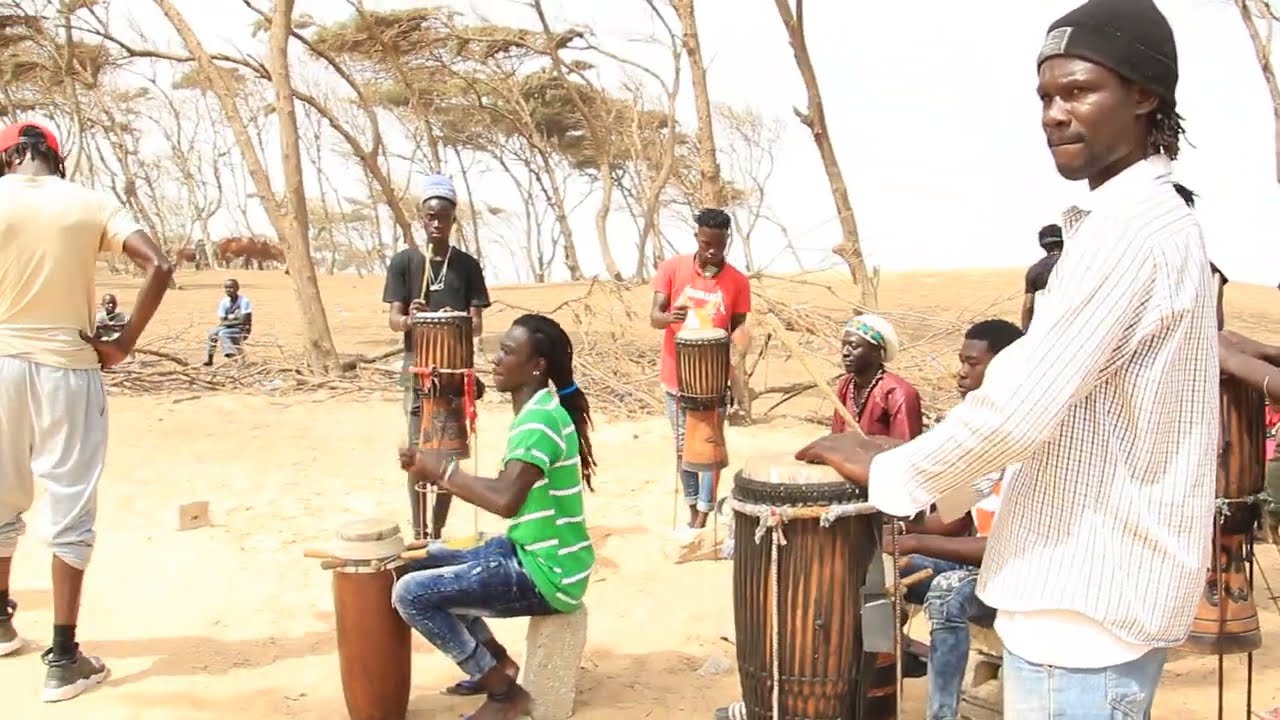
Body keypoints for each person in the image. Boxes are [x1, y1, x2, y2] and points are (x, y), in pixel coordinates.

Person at [797, 1, 1218, 715]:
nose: (1054, 114)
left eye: (1080, 91)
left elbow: (1019, 407)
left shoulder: (1130, 231)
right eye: (1046, 97)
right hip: (1094, 603)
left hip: (1079, 613)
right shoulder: (1141, 223)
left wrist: (892, 468)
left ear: (1145, 95)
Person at [0, 121, 173, 701]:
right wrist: (123, 344)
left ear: (10, 159)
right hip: (67, 368)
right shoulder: (91, 202)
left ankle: (0, 624)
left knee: (0, 499)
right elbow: (160, 266)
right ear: (56, 158)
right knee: (69, 507)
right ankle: (64, 658)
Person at [393, 313, 595, 720]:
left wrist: (442, 471)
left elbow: (506, 500)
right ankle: (499, 662)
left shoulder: (539, 421)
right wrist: (433, 467)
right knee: (416, 560)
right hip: (534, 552)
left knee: (410, 594)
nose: (495, 360)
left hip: (548, 574)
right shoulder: (539, 411)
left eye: (507, 352)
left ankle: (502, 693)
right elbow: (509, 492)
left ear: (536, 366)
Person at [896, 319, 1024, 720]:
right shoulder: (988, 437)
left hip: (1013, 577)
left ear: (1003, 367)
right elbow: (954, 514)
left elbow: (997, 548)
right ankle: (887, 673)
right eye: (961, 362)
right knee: (879, 566)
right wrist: (904, 529)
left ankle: (942, 714)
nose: (962, 372)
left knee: (949, 591)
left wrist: (914, 542)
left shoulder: (1026, 438)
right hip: (978, 566)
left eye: (973, 363)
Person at [383, 174, 491, 539]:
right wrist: (412, 318)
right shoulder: (404, 262)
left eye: (443, 217)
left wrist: (456, 320)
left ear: (453, 219)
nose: (436, 224)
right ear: (421, 217)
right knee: (417, 451)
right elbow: (394, 320)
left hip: (456, 370)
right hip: (417, 368)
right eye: (430, 217)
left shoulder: (468, 265)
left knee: (447, 455)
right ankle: (418, 532)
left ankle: (438, 531)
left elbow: (476, 325)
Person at [650, 208, 751, 529]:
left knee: (709, 445)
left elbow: (737, 328)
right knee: (684, 447)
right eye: (706, 243)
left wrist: (738, 354)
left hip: (713, 381)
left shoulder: (736, 281)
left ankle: (703, 515)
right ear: (697, 237)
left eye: (719, 246)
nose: (712, 251)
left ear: (726, 241)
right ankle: (692, 505)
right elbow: (655, 317)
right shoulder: (671, 268)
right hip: (675, 376)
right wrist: (670, 318)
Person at [832, 313, 922, 440]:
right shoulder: (845, 385)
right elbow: (836, 439)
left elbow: (904, 449)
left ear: (877, 352)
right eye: (844, 345)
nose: (845, 352)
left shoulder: (899, 394)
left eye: (854, 346)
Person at [1020, 224, 1062, 330]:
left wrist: (1026, 333)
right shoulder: (1077, 263)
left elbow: (1028, 306)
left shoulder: (1034, 271)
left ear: (1042, 245)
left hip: (1045, 327)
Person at [203, 278, 252, 366]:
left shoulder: (244, 301)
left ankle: (232, 356)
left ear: (237, 288)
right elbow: (222, 320)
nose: (228, 290)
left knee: (223, 333)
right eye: (226, 288)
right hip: (230, 326)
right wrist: (235, 320)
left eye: (231, 287)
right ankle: (210, 359)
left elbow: (244, 320)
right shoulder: (224, 302)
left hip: (242, 329)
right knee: (212, 333)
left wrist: (229, 321)